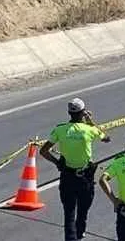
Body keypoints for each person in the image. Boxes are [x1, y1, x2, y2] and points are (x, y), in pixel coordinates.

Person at [40, 98, 111, 241]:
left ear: (69, 113)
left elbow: (44, 151)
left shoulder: (60, 129)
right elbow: (106, 138)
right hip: (85, 177)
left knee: (69, 212)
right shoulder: (89, 130)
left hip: (67, 175)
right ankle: (80, 233)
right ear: (83, 112)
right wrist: (90, 121)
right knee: (83, 209)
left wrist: (57, 163)